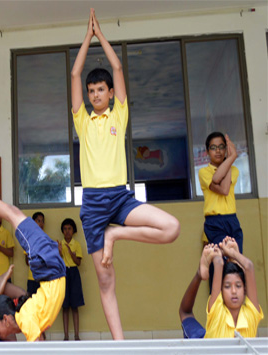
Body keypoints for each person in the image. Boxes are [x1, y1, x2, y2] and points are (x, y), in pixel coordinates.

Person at [70, 9, 180, 340]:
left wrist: (100, 35)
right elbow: (75, 75)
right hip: (92, 205)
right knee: (106, 281)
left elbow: (117, 67)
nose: (95, 95)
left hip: (120, 198)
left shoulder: (120, 114)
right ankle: (121, 345)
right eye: (92, 92)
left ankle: (115, 235)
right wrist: (85, 39)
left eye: (100, 90)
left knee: (172, 227)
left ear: (110, 93)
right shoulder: (83, 121)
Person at [0, 155, 66, 342]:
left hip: (49, 267)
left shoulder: (24, 319)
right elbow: (40, 343)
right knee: (12, 213)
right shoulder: (25, 319)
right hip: (51, 267)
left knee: (12, 213)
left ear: (6, 319)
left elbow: (38, 345)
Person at [206, 237, 263, 338]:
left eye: (238, 286)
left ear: (245, 289)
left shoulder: (251, 315)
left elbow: (249, 266)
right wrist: (221, 253)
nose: (233, 291)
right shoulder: (217, 312)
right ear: (221, 291)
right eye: (227, 286)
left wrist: (234, 254)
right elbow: (218, 263)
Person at [199, 132, 243, 252]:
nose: (218, 151)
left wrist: (229, 159)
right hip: (214, 222)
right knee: (221, 260)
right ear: (207, 152)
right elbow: (223, 189)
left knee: (236, 262)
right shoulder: (204, 172)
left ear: (226, 149)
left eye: (221, 147)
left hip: (232, 220)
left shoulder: (234, 170)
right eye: (213, 148)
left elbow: (222, 185)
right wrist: (231, 157)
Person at [178, 243, 217, 339]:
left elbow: (185, 312)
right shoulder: (249, 317)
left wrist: (199, 275)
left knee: (185, 313)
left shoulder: (200, 339)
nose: (233, 291)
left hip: (205, 341)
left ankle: (198, 274)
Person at [58, 218, 84, 341]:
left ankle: (77, 335)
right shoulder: (60, 244)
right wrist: (59, 252)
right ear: (62, 231)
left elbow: (78, 262)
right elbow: (57, 261)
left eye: (69, 229)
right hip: (63, 273)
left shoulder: (77, 244)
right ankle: (66, 335)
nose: (67, 231)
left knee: (75, 306)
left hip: (73, 272)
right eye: (65, 229)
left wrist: (72, 255)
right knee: (65, 307)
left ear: (73, 230)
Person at [25, 212, 45, 295]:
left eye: (42, 221)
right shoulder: (28, 239)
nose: (41, 223)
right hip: (32, 277)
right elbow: (27, 262)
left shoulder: (45, 239)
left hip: (43, 277)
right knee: (31, 301)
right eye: (38, 221)